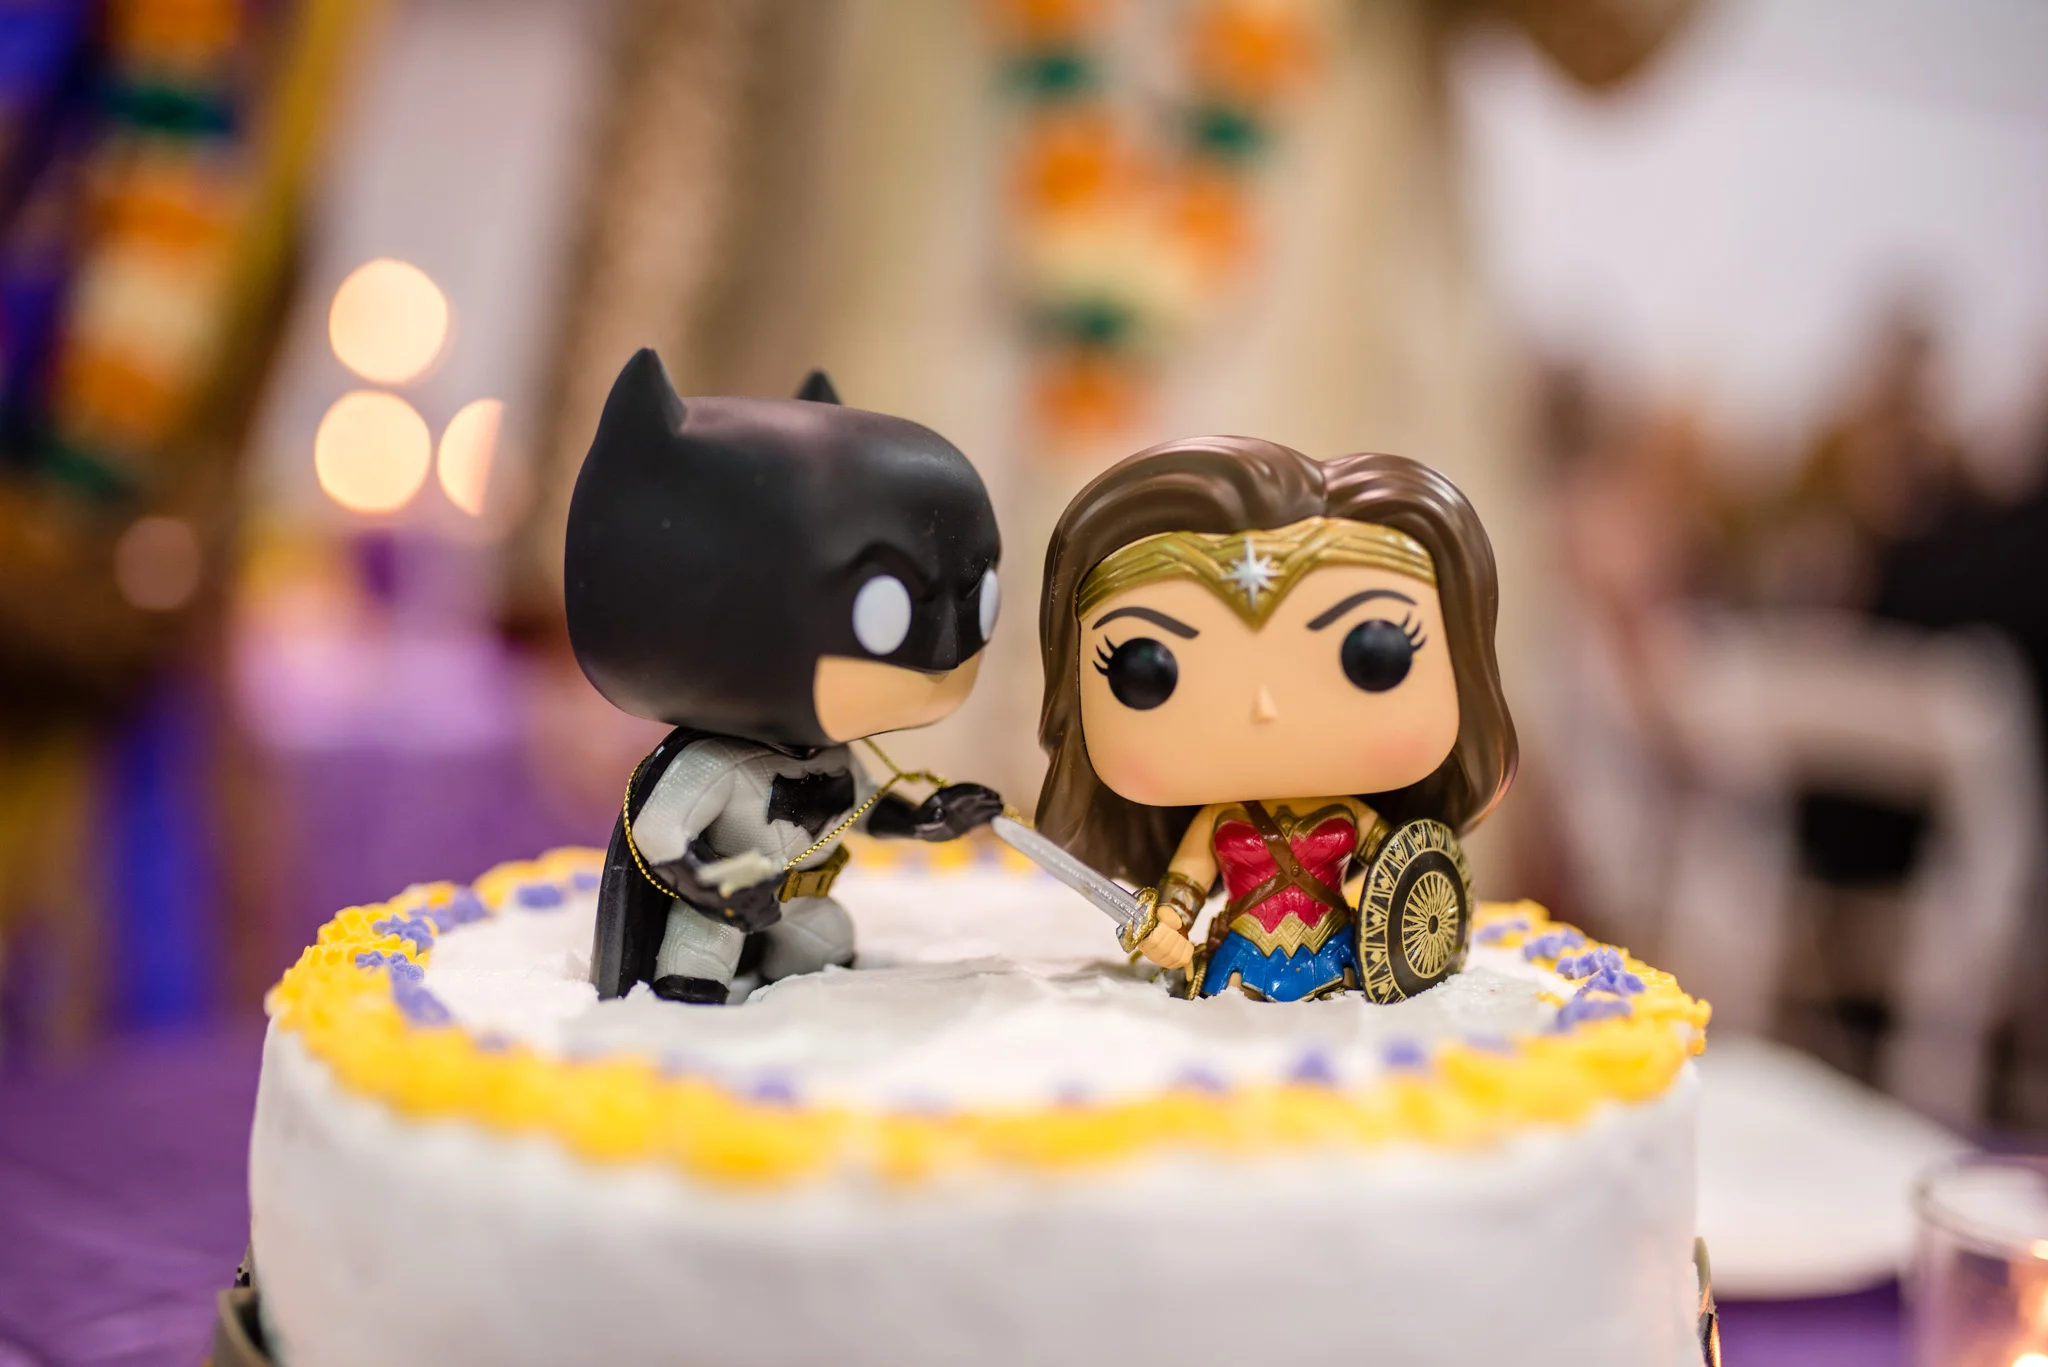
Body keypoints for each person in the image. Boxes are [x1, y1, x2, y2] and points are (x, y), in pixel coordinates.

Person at [1034, 437, 1515, 1000]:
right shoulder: (1217, 821)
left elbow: (1407, 872)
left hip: (1339, 958)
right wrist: (1165, 930)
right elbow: (1182, 893)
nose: (1264, 707)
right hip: (1243, 965)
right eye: (1146, 670)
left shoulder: (1353, 815)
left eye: (1373, 655)